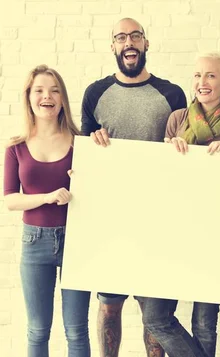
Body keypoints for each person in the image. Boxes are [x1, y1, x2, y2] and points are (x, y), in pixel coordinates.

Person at [80, 17, 187, 357]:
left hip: (159, 220)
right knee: (109, 306)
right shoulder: (95, 93)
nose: (129, 42)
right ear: (112, 46)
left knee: (153, 315)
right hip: (111, 219)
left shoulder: (172, 93)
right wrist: (93, 141)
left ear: (146, 43)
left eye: (136, 36)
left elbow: (185, 154)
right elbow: (85, 158)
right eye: (121, 37)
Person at [137, 52, 220, 357]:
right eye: (197, 75)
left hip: (217, 234)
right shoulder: (177, 119)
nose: (202, 82)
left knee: (204, 322)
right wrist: (171, 151)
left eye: (211, 76)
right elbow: (164, 178)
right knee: (155, 317)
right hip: (174, 230)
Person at [3, 64, 91, 356]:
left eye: (55, 90)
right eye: (39, 90)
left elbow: (97, 194)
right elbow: (10, 199)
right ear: (29, 97)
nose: (47, 96)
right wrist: (48, 197)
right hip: (34, 243)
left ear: (63, 99)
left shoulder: (83, 145)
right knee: (38, 330)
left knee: (76, 331)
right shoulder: (16, 147)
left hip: (77, 241)